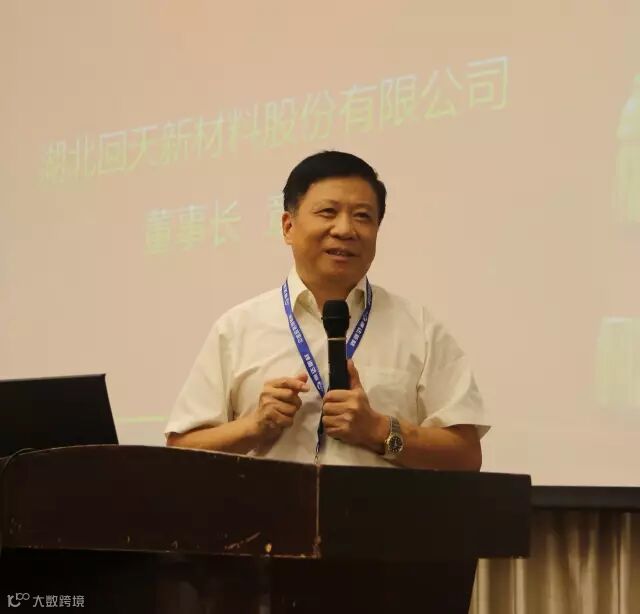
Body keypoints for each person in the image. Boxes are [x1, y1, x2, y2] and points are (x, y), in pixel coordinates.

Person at [165, 151, 489, 469]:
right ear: (288, 226)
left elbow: (466, 456)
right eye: (328, 212)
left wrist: (379, 430)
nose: (345, 229)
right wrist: (253, 426)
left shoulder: (419, 328)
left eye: (362, 216)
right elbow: (179, 452)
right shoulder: (237, 328)